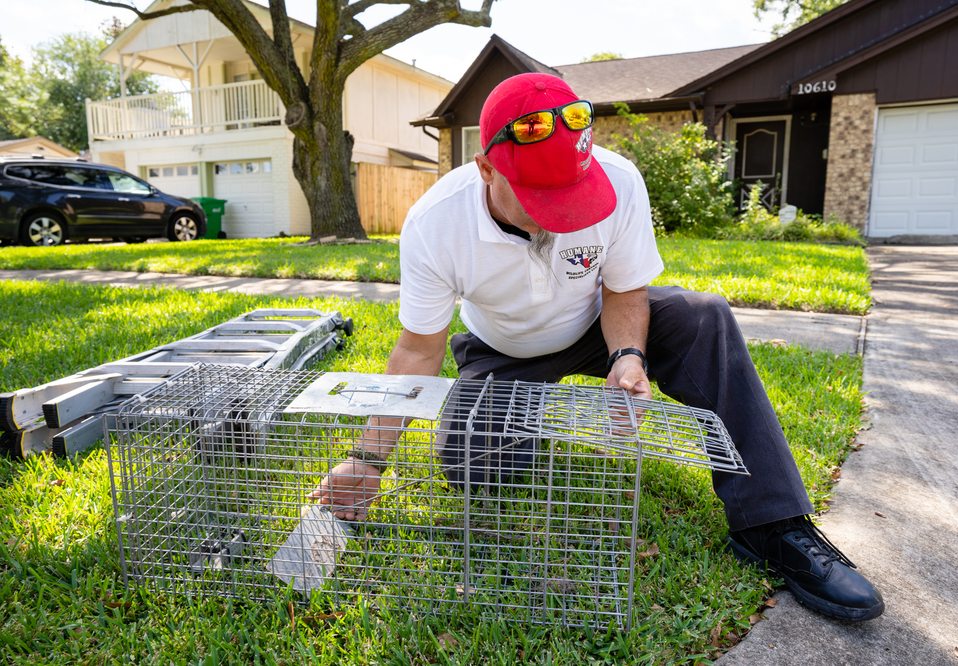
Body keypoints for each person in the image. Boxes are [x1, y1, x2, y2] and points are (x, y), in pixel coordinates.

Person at [312, 72, 884, 622]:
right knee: (472, 469)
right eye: (538, 194)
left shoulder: (619, 180)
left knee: (702, 315)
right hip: (503, 348)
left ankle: (773, 524)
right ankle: (523, 413)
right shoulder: (435, 224)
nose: (560, 216)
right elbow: (417, 352)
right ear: (486, 168)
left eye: (570, 194)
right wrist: (368, 459)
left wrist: (627, 358)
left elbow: (625, 289)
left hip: (595, 326)